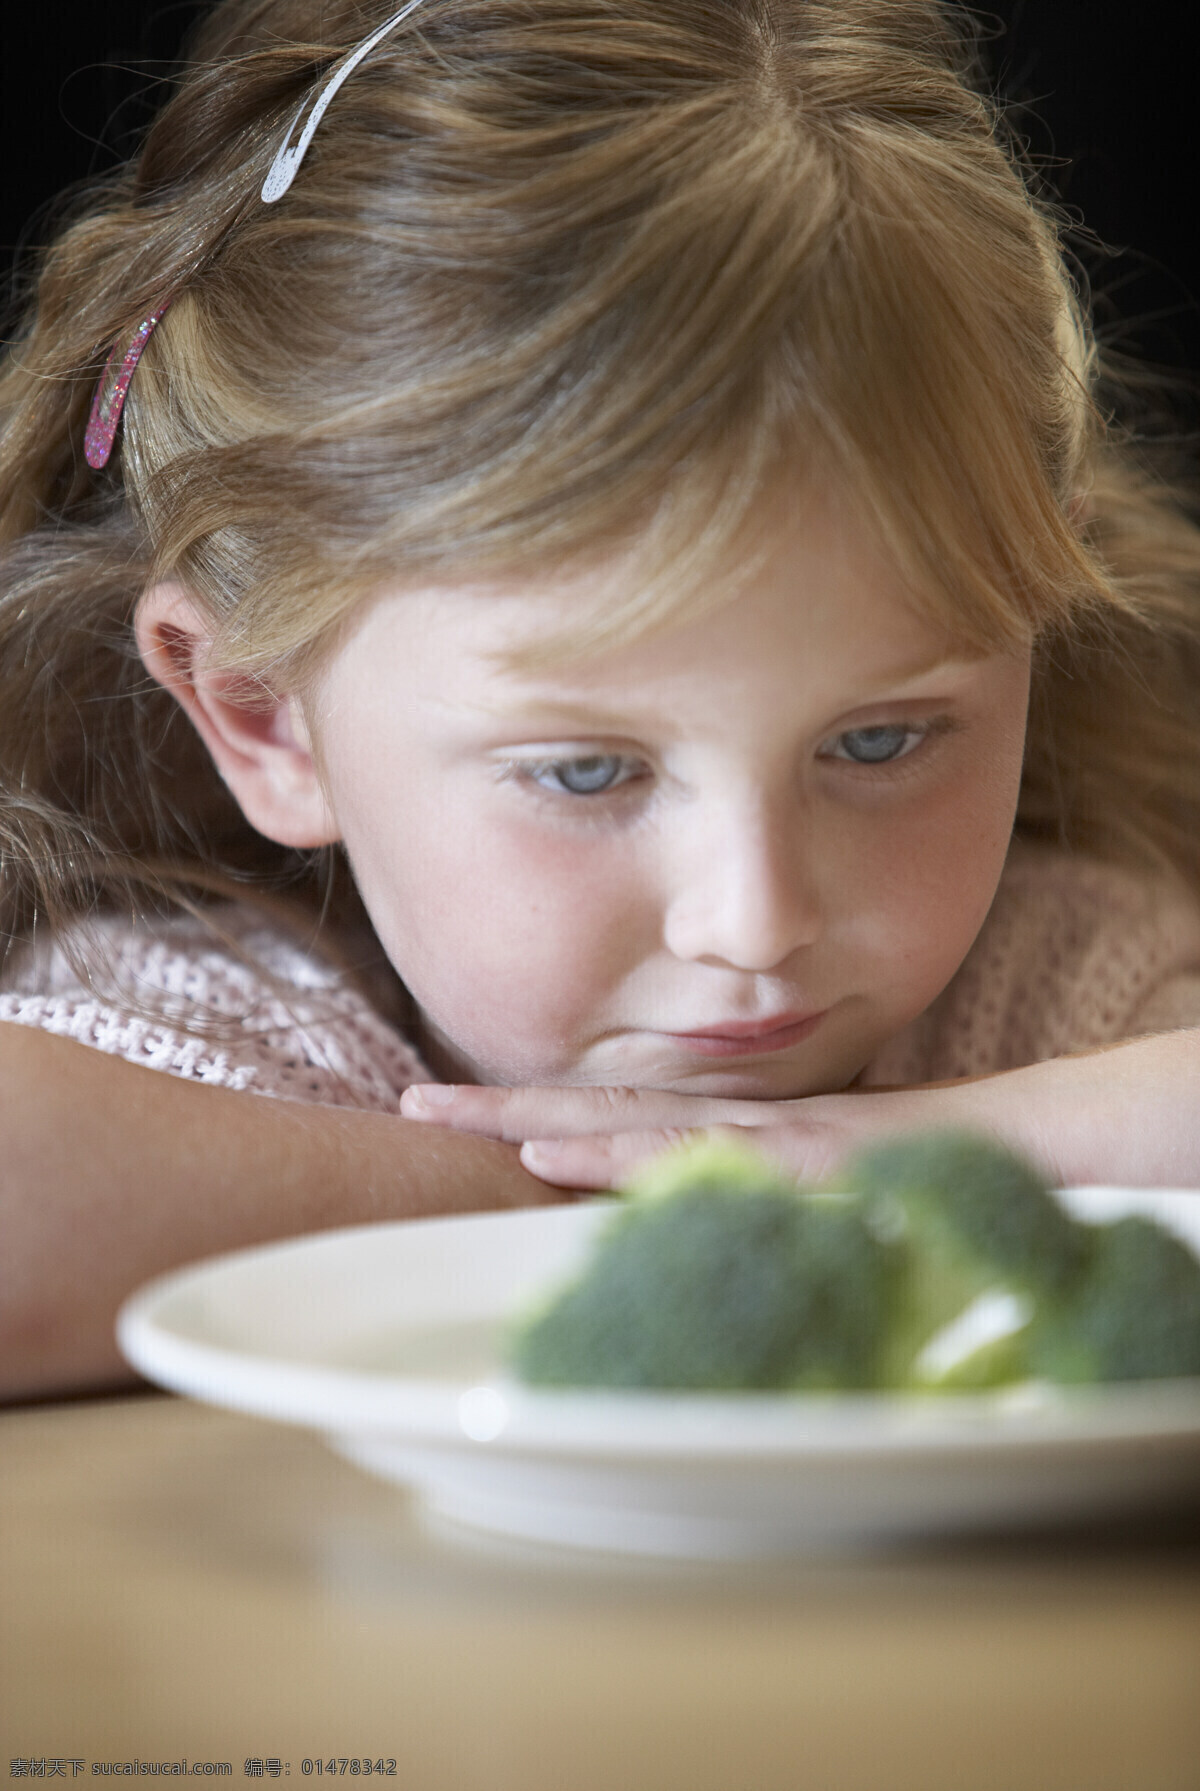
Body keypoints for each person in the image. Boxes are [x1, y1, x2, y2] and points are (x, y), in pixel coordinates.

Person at [3, 0, 1200, 1400]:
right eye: (585, 773)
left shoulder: (1061, 995)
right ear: (265, 717)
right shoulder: (232, 1040)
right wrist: (580, 1192)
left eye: (880, 740)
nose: (752, 919)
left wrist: (873, 1154)